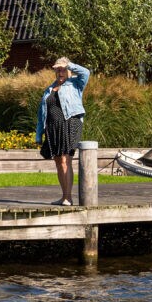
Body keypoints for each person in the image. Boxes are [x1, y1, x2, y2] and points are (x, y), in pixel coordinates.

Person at [35, 57, 90, 206]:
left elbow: (86, 72)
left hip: (70, 122)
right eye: (57, 69)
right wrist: (39, 133)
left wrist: (69, 64)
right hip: (52, 127)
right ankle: (64, 196)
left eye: (63, 69)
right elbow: (41, 114)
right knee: (59, 162)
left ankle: (68, 198)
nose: (60, 72)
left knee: (66, 160)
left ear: (69, 70)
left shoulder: (76, 84)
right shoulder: (48, 90)